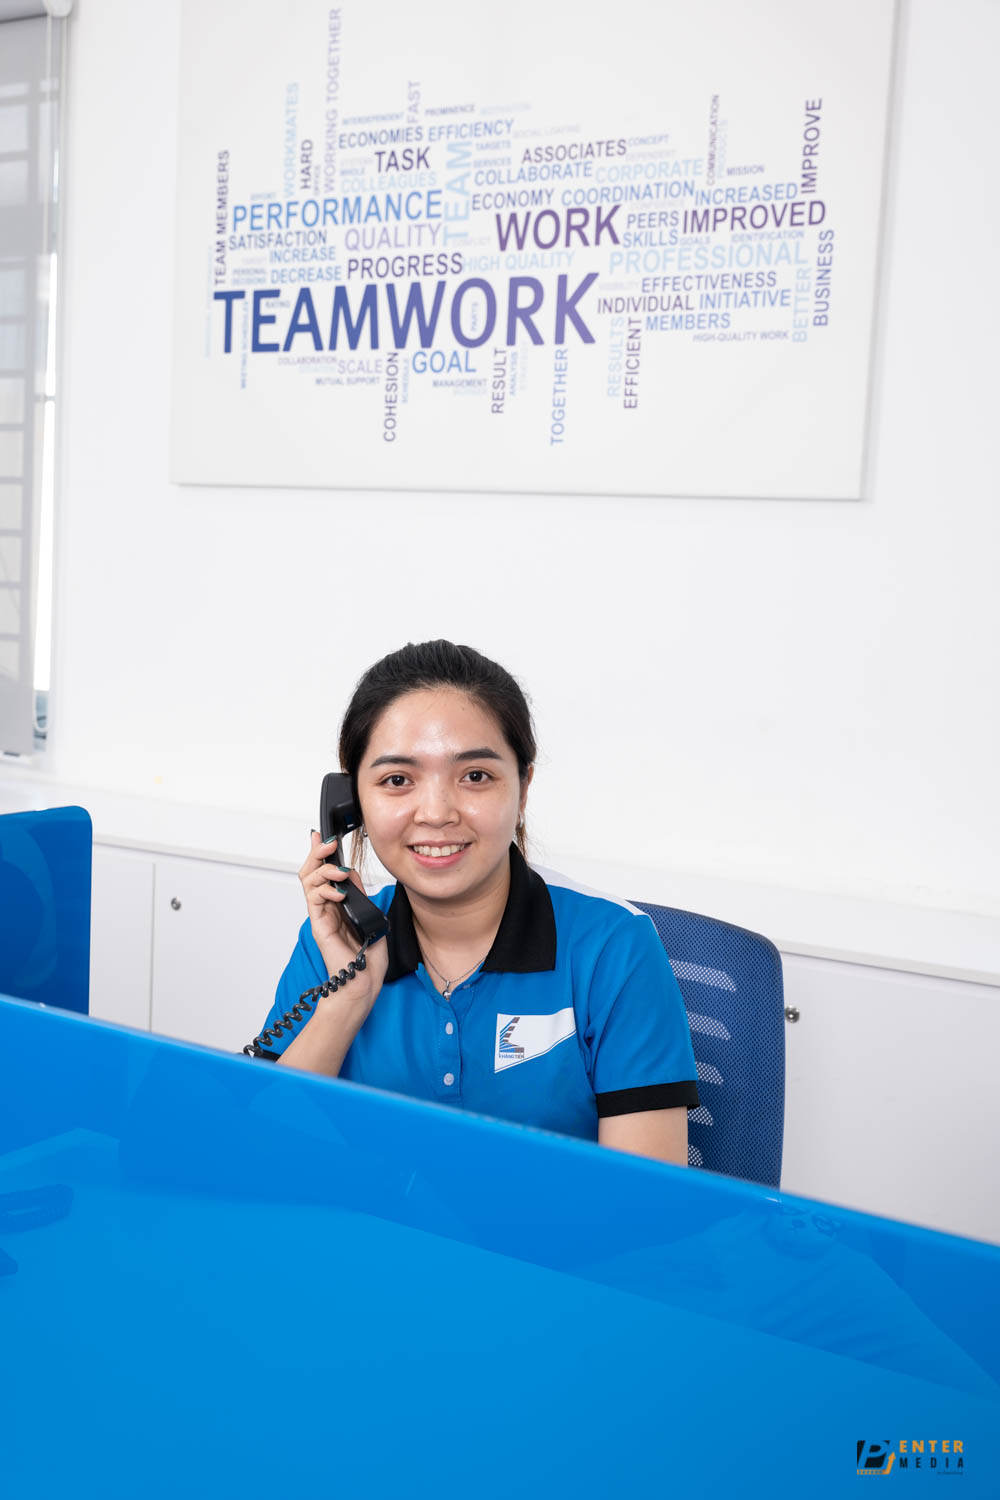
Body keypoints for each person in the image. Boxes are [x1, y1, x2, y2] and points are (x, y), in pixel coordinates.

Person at [251, 640, 700, 1165]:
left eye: (475, 776)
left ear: (523, 788)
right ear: (352, 802)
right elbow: (262, 1159)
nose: (436, 813)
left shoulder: (614, 948)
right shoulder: (332, 943)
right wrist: (345, 1000)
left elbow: (644, 1200)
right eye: (397, 780)